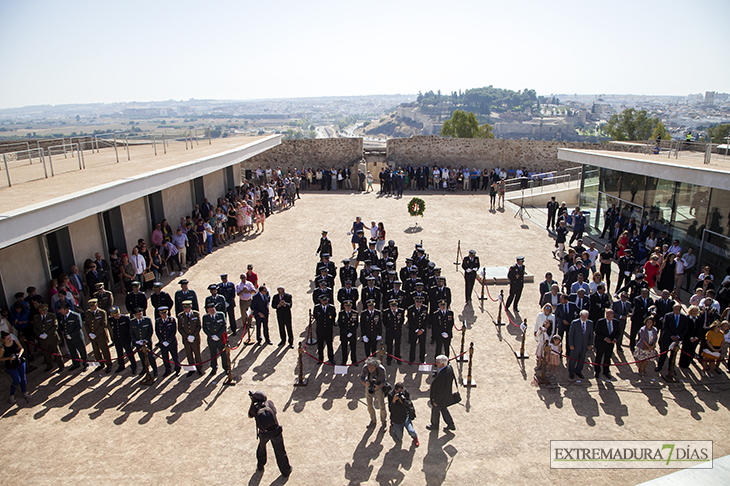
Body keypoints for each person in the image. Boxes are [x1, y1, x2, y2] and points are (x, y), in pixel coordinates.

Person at [248, 390, 292, 477]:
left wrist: (252, 403)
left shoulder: (255, 408)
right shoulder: (269, 403)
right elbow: (275, 412)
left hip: (263, 433)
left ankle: (260, 465)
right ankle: (286, 471)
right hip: (275, 431)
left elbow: (250, 415)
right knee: (280, 451)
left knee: (261, 449)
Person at [427, 355, 456, 432]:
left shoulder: (441, 377)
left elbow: (440, 390)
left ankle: (434, 425)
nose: (436, 363)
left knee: (436, 411)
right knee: (443, 409)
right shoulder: (449, 368)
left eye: (438, 362)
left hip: (440, 397)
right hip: (446, 394)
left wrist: (435, 401)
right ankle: (451, 424)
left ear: (442, 364)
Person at [655, 303, 688, 373]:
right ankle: (660, 366)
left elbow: (685, 329)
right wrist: (672, 336)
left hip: (677, 340)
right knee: (663, 353)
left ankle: (671, 368)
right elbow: (665, 327)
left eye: (678, 309)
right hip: (667, 338)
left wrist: (678, 336)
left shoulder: (684, 317)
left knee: (673, 355)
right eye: (675, 309)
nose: (676, 311)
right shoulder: (668, 316)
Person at [83, 298, 112, 373]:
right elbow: (86, 324)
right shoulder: (88, 313)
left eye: (94, 306)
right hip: (92, 336)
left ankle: (108, 364)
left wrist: (95, 334)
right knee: (96, 351)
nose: (92, 308)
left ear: (97, 305)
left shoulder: (102, 312)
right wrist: (89, 333)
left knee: (104, 350)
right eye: (91, 306)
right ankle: (100, 364)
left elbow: (103, 324)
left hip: (101, 335)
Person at [33, 303, 64, 372]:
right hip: (43, 340)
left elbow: (55, 326)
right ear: (39, 311)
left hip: (52, 338)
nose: (44, 312)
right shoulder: (36, 318)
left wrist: (47, 334)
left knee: (56, 352)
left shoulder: (52, 316)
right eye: (42, 310)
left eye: (45, 310)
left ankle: (60, 365)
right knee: (46, 353)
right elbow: (35, 328)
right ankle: (49, 365)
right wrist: (39, 335)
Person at [1, 331, 30, 404]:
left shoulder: (15, 342)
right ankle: (12, 395)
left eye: (10, 337)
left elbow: (21, 348)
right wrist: (8, 358)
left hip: (19, 362)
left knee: (23, 378)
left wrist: (19, 355)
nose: (10, 339)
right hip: (11, 365)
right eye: (7, 339)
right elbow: (0, 358)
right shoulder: (2, 348)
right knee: (17, 380)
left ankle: (24, 392)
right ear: (3, 340)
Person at [58, 303, 88, 371]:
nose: (60, 311)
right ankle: (76, 363)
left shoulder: (75, 315)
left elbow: (78, 327)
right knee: (72, 351)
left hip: (77, 337)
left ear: (66, 309)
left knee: (82, 351)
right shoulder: (63, 317)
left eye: (61, 309)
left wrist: (71, 335)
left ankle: (85, 364)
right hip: (68, 338)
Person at [388, 383, 419, 447]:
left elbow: (410, 404)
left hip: (405, 416)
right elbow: (391, 410)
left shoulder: (405, 393)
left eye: (403, 390)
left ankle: (415, 438)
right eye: (399, 391)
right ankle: (393, 424)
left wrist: (404, 402)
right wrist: (393, 401)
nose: (402, 393)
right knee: (399, 438)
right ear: (395, 391)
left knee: (411, 431)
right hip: (396, 418)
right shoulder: (391, 395)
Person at [360, 357, 388, 428]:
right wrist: (365, 383)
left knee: (381, 405)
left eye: (372, 367)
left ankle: (384, 421)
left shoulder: (381, 369)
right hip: (369, 385)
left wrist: (378, 387)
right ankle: (373, 420)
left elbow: (384, 381)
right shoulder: (365, 367)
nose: (370, 369)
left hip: (379, 386)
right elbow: (362, 378)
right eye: (369, 367)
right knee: (369, 405)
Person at [178, 301, 204, 377]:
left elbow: (198, 326)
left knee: (197, 353)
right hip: (186, 339)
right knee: (189, 354)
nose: (185, 309)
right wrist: (187, 336)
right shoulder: (180, 316)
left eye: (187, 307)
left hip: (195, 338)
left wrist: (193, 336)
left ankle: (199, 368)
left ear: (190, 307)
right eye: (184, 308)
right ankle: (191, 369)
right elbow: (180, 328)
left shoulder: (196, 314)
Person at [130, 307, 157, 378]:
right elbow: (131, 333)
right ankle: (144, 369)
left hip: (147, 342)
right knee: (142, 356)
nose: (140, 315)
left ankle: (155, 369)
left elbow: (150, 331)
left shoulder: (147, 320)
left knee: (151, 356)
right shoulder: (132, 322)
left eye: (141, 314)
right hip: (139, 343)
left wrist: (146, 340)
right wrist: (137, 341)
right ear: (135, 315)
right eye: (138, 314)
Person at [202, 303, 228, 376]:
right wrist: (211, 336)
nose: (212, 311)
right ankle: (214, 368)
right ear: (207, 310)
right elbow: (204, 328)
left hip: (220, 339)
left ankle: (226, 367)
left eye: (213, 309)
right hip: (211, 339)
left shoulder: (220, 315)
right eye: (210, 310)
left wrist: (218, 335)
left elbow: (224, 326)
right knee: (213, 354)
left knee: (223, 354)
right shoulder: (205, 317)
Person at [155, 306, 181, 377]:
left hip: (171, 342)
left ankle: (177, 369)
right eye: (162, 313)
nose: (164, 315)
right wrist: (162, 341)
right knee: (165, 357)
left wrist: (169, 341)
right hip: (163, 343)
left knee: (175, 356)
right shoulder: (158, 321)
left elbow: (173, 331)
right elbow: (157, 332)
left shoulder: (172, 320)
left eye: (165, 313)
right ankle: (167, 369)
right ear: (160, 314)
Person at [594, 308, 620, 380]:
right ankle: (597, 371)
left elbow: (618, 332)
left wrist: (615, 339)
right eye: (607, 314)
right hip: (601, 343)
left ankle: (606, 371)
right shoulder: (600, 321)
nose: (608, 315)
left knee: (608, 358)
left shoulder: (616, 322)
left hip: (610, 344)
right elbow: (597, 332)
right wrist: (605, 338)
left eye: (610, 314)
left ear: (613, 315)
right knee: (599, 357)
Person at [568, 310, 594, 380]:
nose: (584, 318)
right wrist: (571, 344)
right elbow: (571, 334)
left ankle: (578, 371)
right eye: (583, 317)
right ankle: (571, 372)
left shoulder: (590, 323)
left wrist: (590, 344)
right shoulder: (575, 323)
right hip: (575, 345)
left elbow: (591, 334)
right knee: (573, 359)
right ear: (580, 316)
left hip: (584, 345)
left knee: (582, 359)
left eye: (585, 317)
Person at [313, 294, 336, 363]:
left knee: (329, 344)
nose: (325, 302)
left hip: (328, 329)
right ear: (320, 301)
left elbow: (333, 316)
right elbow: (316, 317)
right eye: (323, 300)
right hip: (320, 329)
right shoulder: (317, 308)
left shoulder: (331, 307)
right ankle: (320, 359)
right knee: (320, 345)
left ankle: (331, 358)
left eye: (326, 300)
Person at [382, 299, 405, 366]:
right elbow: (384, 322)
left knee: (397, 345)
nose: (394, 308)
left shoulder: (401, 311)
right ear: (390, 305)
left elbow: (402, 320)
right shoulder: (386, 312)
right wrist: (389, 327)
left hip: (397, 331)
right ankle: (389, 359)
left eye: (395, 306)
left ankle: (398, 358)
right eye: (392, 306)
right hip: (390, 331)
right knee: (389, 346)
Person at [338, 300, 359, 365]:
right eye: (347, 306)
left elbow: (356, 324)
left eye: (349, 306)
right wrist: (346, 333)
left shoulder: (355, 313)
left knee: (353, 348)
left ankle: (354, 361)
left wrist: (351, 332)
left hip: (352, 334)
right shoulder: (341, 313)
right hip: (344, 334)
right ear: (344, 306)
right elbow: (340, 324)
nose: (348, 307)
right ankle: (344, 360)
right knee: (344, 348)